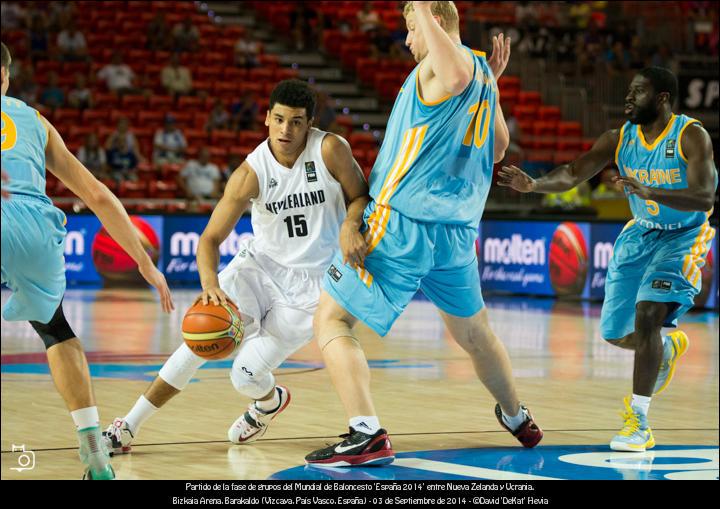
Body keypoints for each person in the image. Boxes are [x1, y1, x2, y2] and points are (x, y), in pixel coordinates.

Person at [304, 1, 542, 468]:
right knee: (475, 334)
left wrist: (424, 13)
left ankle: (365, 432)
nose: (408, 40)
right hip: (455, 235)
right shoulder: (478, 75)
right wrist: (489, 84)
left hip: (402, 226)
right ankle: (516, 416)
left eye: (410, 28)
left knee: (331, 321)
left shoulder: (444, 65)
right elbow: (497, 150)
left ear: (431, 22)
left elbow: (451, 76)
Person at [102, 79, 370, 455]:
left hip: (312, 288)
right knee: (197, 341)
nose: (285, 130)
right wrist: (210, 284)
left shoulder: (331, 150)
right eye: (278, 119)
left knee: (244, 377)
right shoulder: (251, 172)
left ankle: (268, 401)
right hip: (258, 270)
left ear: (309, 124)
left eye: (295, 122)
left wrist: (349, 223)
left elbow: (360, 196)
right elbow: (208, 239)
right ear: (266, 119)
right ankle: (127, 427)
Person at [498, 66, 717, 452]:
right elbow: (573, 171)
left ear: (663, 99)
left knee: (649, 313)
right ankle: (664, 350)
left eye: (639, 92)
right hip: (640, 234)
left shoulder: (690, 135)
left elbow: (704, 198)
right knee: (615, 334)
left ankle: (639, 422)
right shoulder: (619, 139)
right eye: (629, 92)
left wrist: (650, 191)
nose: (629, 98)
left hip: (683, 236)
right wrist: (534, 185)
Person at [0, 42, 174, 480]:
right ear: (5, 76)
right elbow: (97, 194)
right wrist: (143, 261)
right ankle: (93, 448)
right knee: (57, 332)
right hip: (34, 225)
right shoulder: (34, 120)